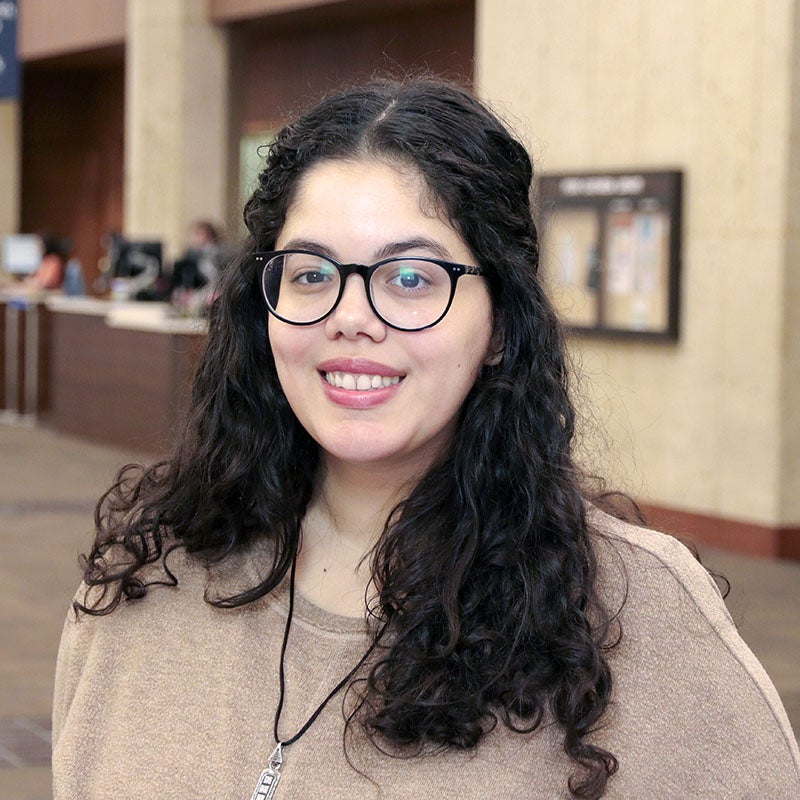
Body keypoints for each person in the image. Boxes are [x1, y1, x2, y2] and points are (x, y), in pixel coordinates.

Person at [52, 77, 800, 799]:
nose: (351, 316)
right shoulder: (153, 571)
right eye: (311, 274)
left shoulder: (633, 613)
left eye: (411, 278)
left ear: (502, 323)